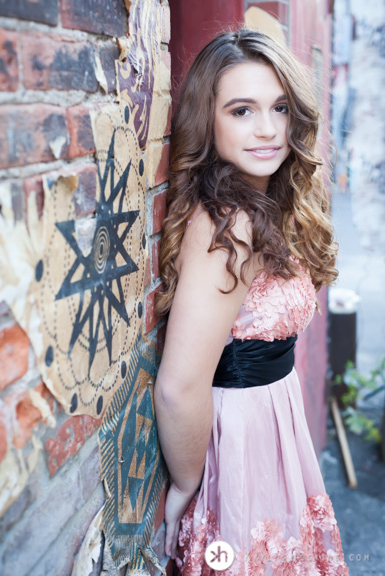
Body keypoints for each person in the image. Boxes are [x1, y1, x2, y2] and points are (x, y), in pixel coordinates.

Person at [154, 29, 349, 575]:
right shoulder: (230, 224)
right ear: (207, 121)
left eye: (280, 107)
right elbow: (178, 386)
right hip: (237, 447)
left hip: (273, 430)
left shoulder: (264, 204)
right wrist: (189, 483)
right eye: (242, 110)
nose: (268, 129)